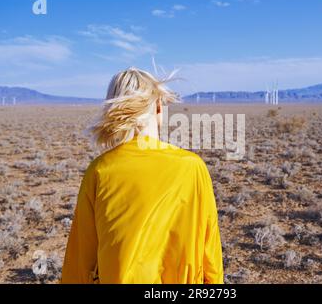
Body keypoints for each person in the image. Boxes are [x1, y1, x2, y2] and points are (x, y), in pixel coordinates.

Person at [61, 68, 223, 284]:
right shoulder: (193, 168)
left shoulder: (100, 171)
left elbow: (81, 259)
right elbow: (209, 251)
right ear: (157, 107)